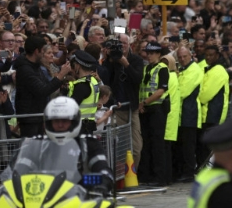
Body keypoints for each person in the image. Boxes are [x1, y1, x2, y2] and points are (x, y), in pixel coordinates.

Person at [14, 35, 71, 137]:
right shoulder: (26, 69)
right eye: (42, 51)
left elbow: (46, 85)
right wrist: (61, 75)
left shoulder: (35, 66)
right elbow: (42, 90)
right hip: (29, 118)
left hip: (38, 116)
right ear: (37, 51)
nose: (45, 54)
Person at [101, 34, 144, 169]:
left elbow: (137, 79)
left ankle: (131, 174)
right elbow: (105, 81)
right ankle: (115, 176)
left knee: (136, 148)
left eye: (124, 44)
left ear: (129, 45)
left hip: (132, 109)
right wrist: (108, 59)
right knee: (115, 146)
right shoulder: (109, 61)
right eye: (118, 44)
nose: (121, 47)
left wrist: (126, 64)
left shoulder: (136, 59)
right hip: (115, 109)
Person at [137, 42, 170, 186]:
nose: (149, 55)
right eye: (147, 53)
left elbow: (161, 90)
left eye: (152, 53)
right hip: (145, 109)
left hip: (156, 109)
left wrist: (144, 103)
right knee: (147, 143)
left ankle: (159, 177)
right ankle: (147, 175)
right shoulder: (146, 68)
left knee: (157, 144)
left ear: (158, 54)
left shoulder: (162, 68)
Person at [198, 44, 230, 164]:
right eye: (206, 55)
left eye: (211, 55)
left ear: (217, 55)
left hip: (213, 115)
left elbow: (204, 95)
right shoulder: (210, 68)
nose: (208, 58)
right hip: (208, 115)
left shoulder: (218, 71)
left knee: (209, 149)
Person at [177, 45, 204, 182]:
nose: (182, 59)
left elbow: (182, 91)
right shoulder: (183, 69)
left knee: (188, 145)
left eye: (184, 56)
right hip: (183, 113)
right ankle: (185, 171)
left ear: (190, 56)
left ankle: (189, 172)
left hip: (190, 113)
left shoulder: (194, 70)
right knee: (183, 145)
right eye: (180, 57)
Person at [65, 51, 100, 135]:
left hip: (78, 127)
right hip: (88, 126)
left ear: (78, 65)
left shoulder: (82, 85)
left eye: (74, 64)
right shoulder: (93, 81)